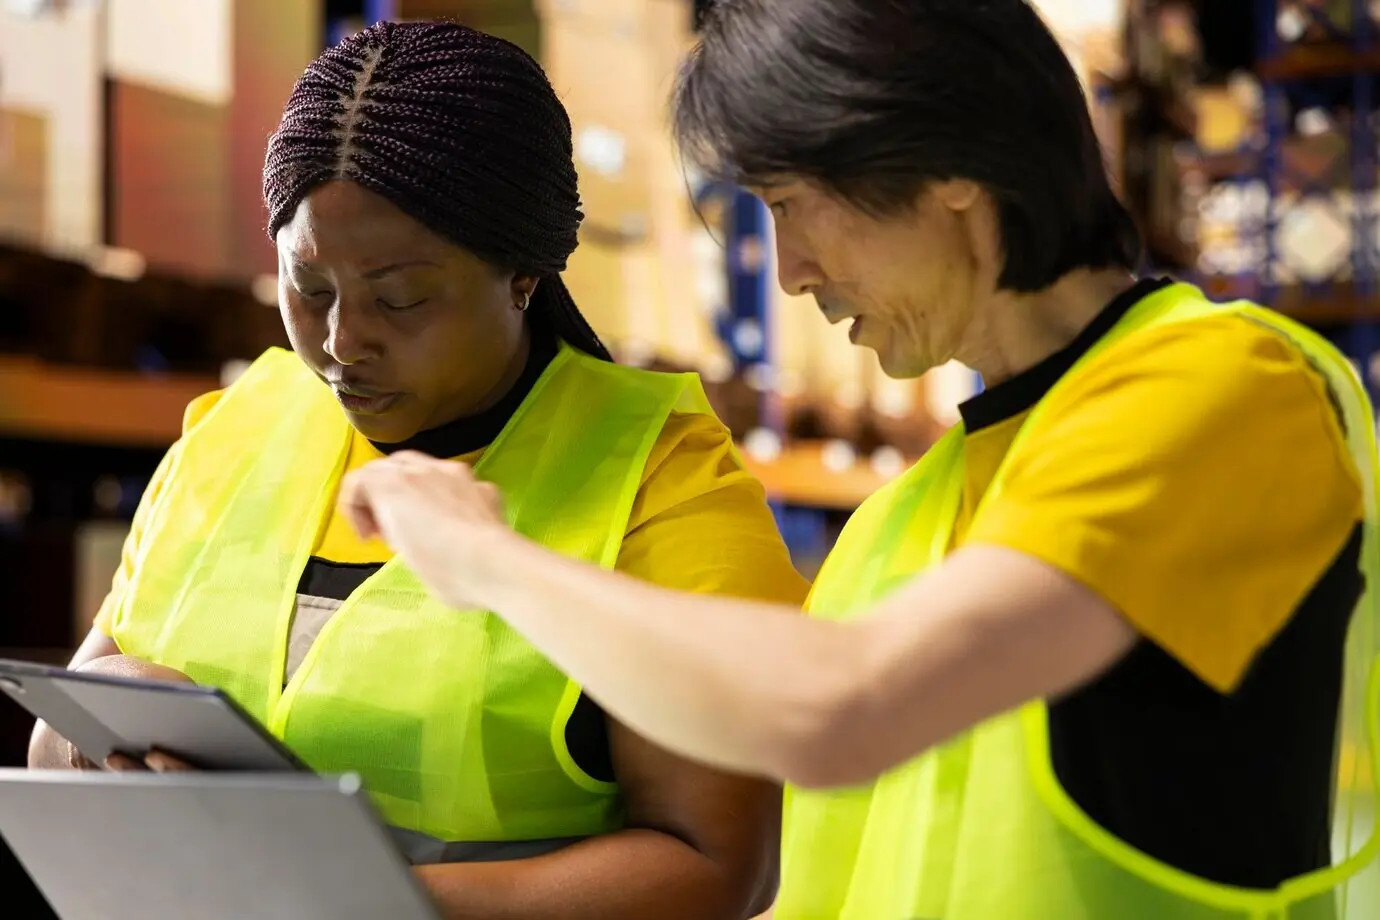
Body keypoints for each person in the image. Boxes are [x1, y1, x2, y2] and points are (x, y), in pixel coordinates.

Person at [336, 3, 1380, 919]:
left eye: (790, 204)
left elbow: (836, 711)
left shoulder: (1223, 391)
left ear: (946, 167)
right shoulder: (901, 519)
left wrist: (486, 558)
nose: (789, 272)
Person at [27, 20, 808, 920]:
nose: (342, 342)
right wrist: (108, 731)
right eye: (308, 287)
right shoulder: (232, 431)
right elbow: (55, 740)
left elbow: (717, 867)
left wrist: (349, 895)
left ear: (522, 276)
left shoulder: (661, 488)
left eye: (401, 296)